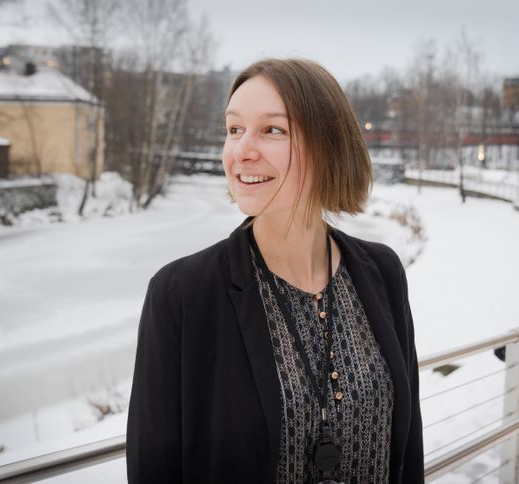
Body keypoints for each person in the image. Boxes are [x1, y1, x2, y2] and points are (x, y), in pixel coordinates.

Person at [126, 58, 424, 483]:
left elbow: (408, 449)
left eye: (272, 130)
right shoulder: (181, 294)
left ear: (328, 145)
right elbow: (154, 470)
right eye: (234, 129)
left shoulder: (383, 271)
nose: (242, 150)